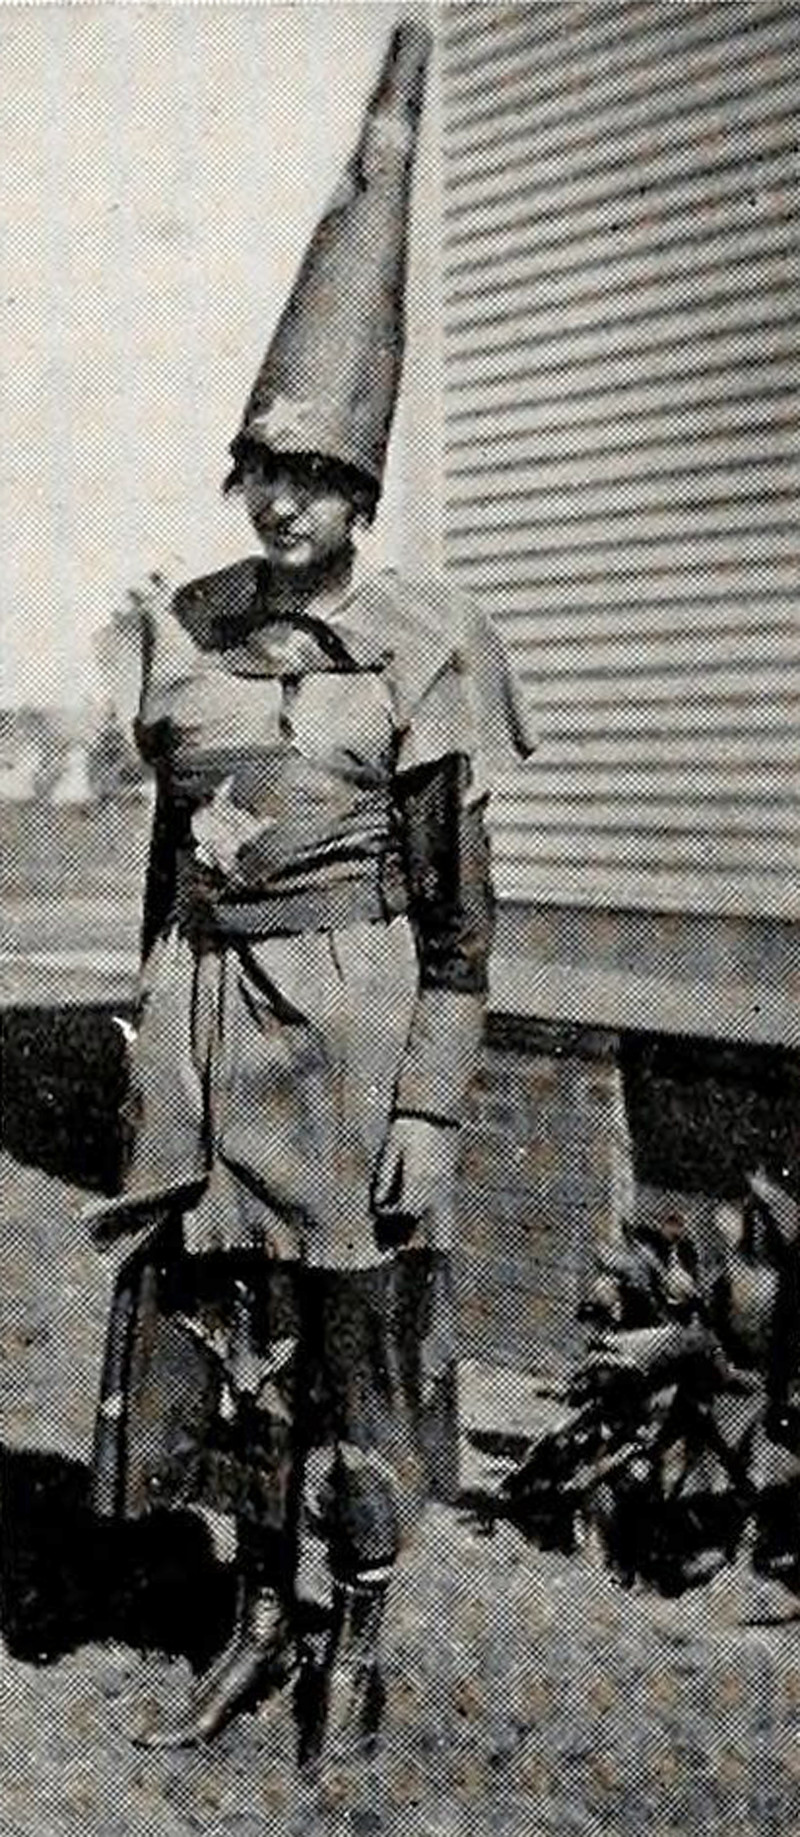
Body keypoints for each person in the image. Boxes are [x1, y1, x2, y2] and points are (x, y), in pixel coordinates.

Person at [86, 18, 532, 1759]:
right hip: (215, 1026)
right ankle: (256, 1618)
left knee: (352, 1341)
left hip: (353, 1036)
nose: (284, 504)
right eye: (264, 470)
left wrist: (430, 1104)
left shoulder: (424, 644)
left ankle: (356, 1637)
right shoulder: (190, 634)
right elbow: (165, 854)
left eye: (320, 478)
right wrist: (152, 1023)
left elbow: (462, 911)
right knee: (232, 1328)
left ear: (363, 492)